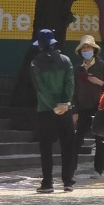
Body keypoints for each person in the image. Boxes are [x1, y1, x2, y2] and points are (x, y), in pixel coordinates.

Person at [30, 29, 76, 194]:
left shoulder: (35, 63)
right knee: (67, 145)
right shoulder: (66, 60)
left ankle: (48, 183)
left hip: (45, 110)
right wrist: (65, 103)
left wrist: (53, 105)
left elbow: (40, 89)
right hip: (66, 109)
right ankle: (68, 181)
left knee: (46, 147)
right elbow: (70, 84)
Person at [72, 35, 104, 175]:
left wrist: (98, 82)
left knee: (100, 139)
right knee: (76, 139)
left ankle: (99, 169)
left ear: (94, 49)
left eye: (88, 47)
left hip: (99, 107)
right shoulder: (77, 68)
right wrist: (74, 110)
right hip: (82, 108)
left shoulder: (102, 65)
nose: (86, 50)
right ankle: (71, 168)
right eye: (84, 48)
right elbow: (73, 90)